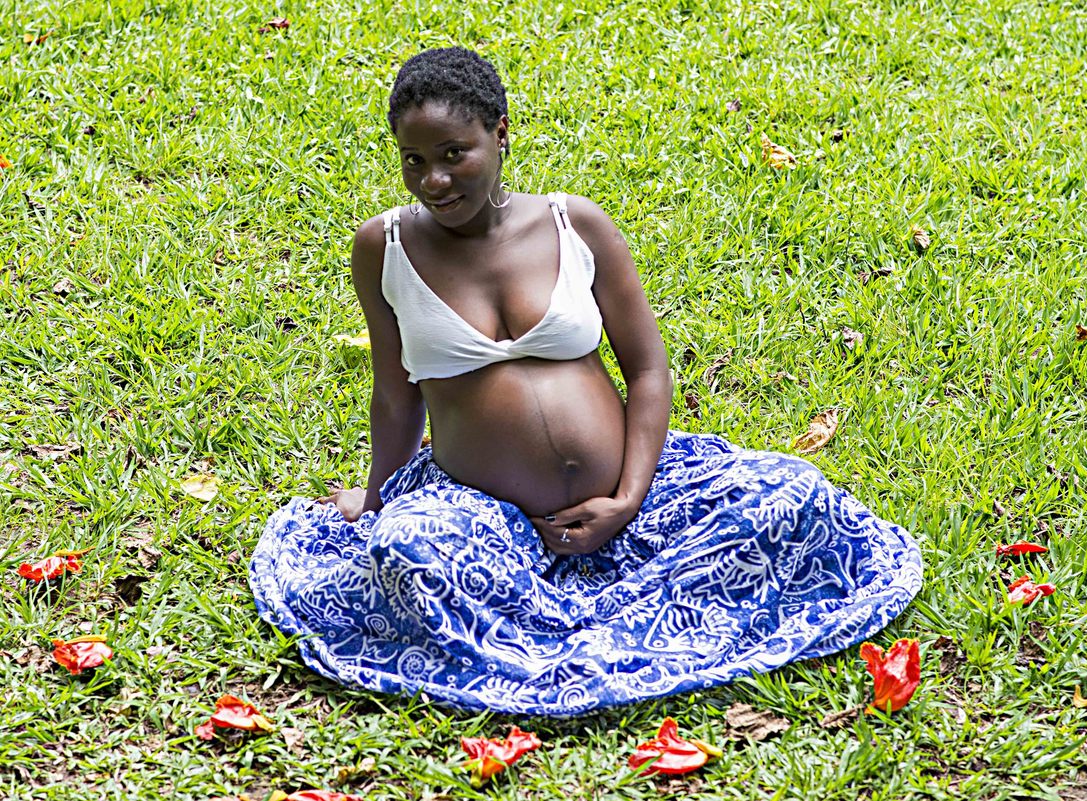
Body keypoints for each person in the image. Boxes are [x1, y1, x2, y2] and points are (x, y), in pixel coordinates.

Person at [249, 47, 922, 717]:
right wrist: (375, 499)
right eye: (414, 161)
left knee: (791, 495)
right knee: (409, 554)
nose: (433, 180)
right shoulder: (385, 248)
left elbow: (649, 369)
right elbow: (397, 396)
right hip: (484, 517)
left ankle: (606, 598)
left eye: (454, 154)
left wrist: (628, 498)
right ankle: (569, 619)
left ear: (501, 132)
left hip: (633, 499)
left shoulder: (575, 224)